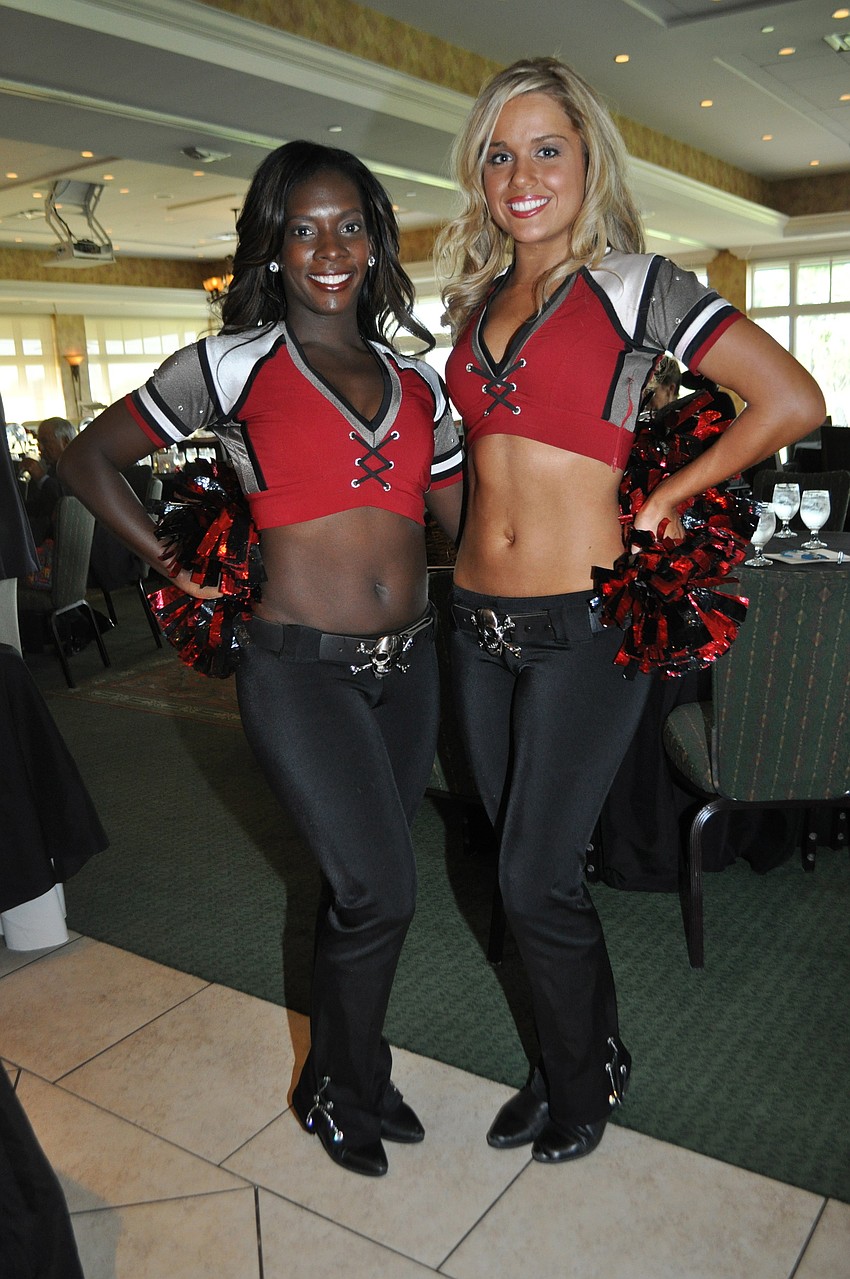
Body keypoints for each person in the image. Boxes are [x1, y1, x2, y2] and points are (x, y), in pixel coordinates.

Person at [434, 56, 825, 1164]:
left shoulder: (639, 287)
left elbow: (792, 397)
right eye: (500, 153)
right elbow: (463, 459)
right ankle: (581, 1051)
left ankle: (577, 1080)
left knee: (531, 871)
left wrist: (668, 493)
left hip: (580, 626)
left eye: (545, 148)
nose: (521, 174)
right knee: (518, 860)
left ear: (588, 158)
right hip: (477, 625)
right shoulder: (473, 301)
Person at [58, 140, 464, 1178]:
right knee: (381, 889)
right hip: (299, 668)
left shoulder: (420, 380)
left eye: (348, 226)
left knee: (357, 881)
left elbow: (465, 518)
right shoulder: (229, 364)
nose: (328, 248)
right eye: (303, 228)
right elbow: (89, 457)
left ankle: (358, 1072)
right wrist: (169, 564)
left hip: (409, 667)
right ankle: (333, 1083)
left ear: (375, 240)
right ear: (272, 247)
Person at [20, 416, 76, 545]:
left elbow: (66, 501)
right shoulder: (53, 468)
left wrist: (41, 478)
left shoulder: (78, 467)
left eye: (45, 442)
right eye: (39, 442)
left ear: (65, 442)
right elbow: (40, 506)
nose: (41, 448)